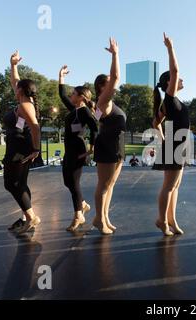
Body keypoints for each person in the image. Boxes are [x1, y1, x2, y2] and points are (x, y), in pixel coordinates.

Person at [152, 33, 189, 236]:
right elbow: (175, 70)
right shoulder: (170, 98)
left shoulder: (170, 104)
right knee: (168, 186)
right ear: (169, 83)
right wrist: (170, 48)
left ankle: (171, 220)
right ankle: (161, 219)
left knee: (175, 186)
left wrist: (162, 138)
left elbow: (155, 123)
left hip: (177, 146)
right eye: (176, 79)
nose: (181, 79)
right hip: (174, 147)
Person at [92, 37, 127, 235]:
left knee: (111, 184)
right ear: (101, 88)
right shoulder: (103, 101)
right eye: (108, 83)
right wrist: (115, 54)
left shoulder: (108, 104)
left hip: (118, 145)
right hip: (107, 146)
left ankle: (104, 217)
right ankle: (98, 218)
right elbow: (115, 78)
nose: (112, 85)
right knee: (103, 185)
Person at [5, 50, 41, 234]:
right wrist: (13, 65)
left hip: (19, 149)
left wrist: (36, 149)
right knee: (20, 183)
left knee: (12, 183)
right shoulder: (23, 101)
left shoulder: (25, 105)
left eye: (17, 86)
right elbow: (15, 81)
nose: (15, 86)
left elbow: (35, 127)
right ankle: (28, 217)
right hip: (18, 147)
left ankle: (31, 217)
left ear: (21, 90)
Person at [58, 65, 99, 232]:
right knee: (67, 181)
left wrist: (92, 147)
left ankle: (78, 216)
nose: (71, 95)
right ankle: (82, 204)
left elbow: (95, 128)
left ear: (81, 97)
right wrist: (61, 77)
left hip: (79, 150)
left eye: (74, 93)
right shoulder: (73, 109)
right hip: (70, 150)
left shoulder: (85, 112)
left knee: (74, 183)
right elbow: (61, 94)